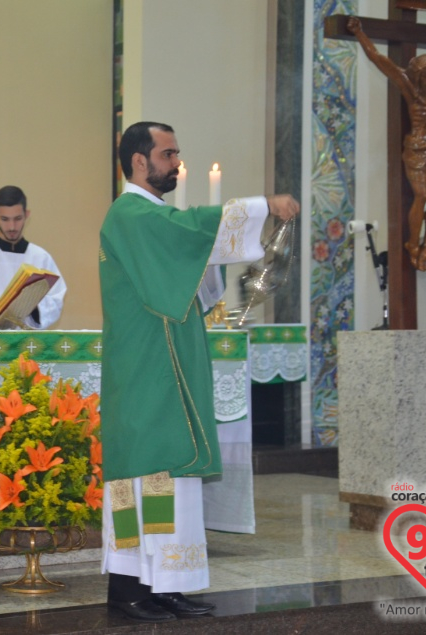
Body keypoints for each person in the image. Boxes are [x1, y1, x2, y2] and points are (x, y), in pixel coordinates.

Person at [99, 121, 299, 623]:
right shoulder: (129, 213)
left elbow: (196, 275)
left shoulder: (153, 215)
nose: (176, 163)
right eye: (168, 154)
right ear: (140, 161)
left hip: (170, 360)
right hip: (145, 367)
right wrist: (261, 206)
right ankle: (127, 588)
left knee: (172, 477)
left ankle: (165, 582)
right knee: (144, 478)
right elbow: (186, 233)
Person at [347, 17, 426, 272]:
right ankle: (411, 243)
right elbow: (378, 59)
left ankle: (425, 245)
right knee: (423, 195)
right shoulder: (409, 87)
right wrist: (359, 32)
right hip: (416, 150)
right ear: (419, 76)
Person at [0, 185, 66, 329]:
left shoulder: (41, 257)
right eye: (5, 219)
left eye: (18, 218)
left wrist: (31, 307)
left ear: (27, 214)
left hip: (27, 340)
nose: (12, 227)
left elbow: (56, 299)